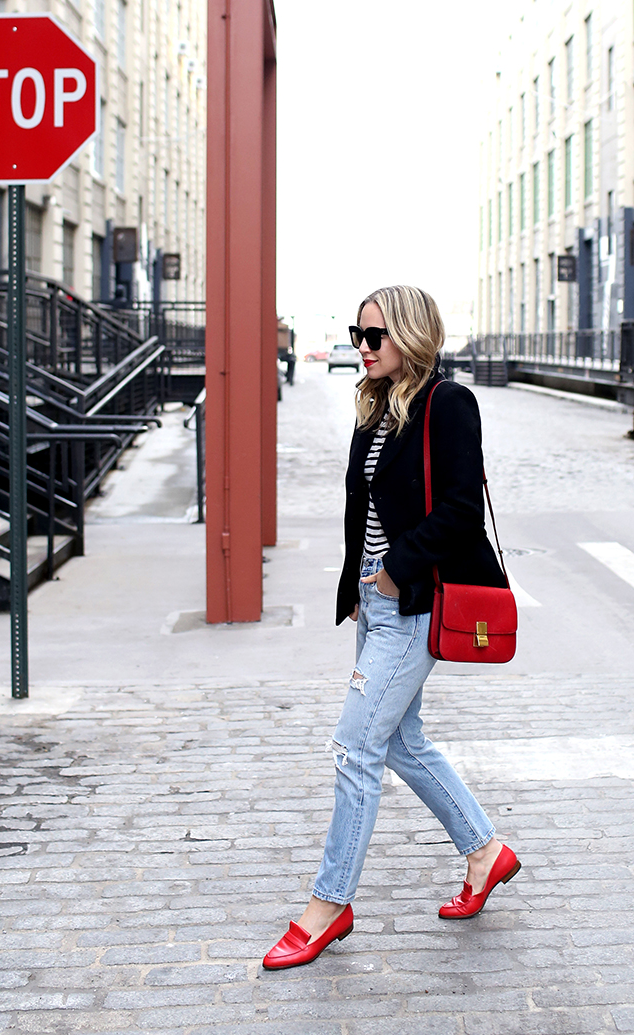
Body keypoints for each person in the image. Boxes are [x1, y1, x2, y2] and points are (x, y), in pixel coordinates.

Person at [263, 285, 521, 971]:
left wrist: (394, 569)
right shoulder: (374, 406)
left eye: (374, 335)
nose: (363, 346)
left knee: (355, 747)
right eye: (356, 334)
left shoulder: (448, 401)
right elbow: (365, 509)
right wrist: (357, 581)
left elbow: (462, 507)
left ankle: (328, 904)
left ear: (410, 334)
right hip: (377, 597)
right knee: (402, 741)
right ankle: (485, 852)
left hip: (414, 598)